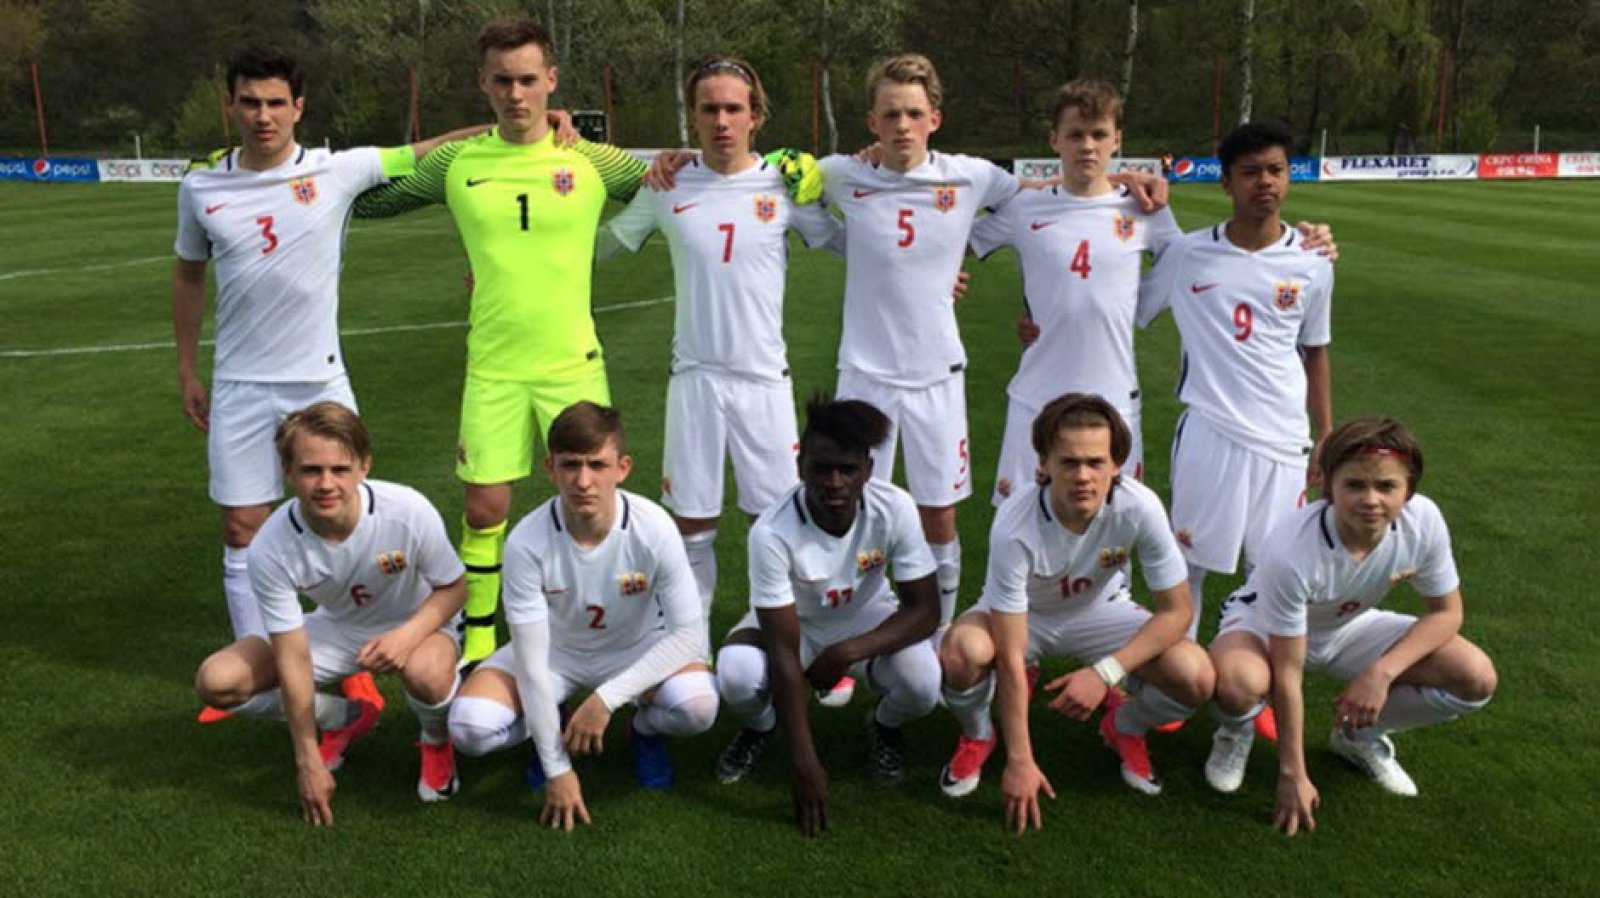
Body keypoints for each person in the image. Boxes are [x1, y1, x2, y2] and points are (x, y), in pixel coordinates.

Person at [172, 47, 475, 705]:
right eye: (250, 102)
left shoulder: (337, 170)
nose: (263, 116)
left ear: (299, 108)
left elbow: (429, 149)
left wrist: (524, 124)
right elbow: (189, 274)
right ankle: (268, 670)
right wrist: (187, 368)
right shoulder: (201, 189)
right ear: (232, 105)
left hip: (318, 380)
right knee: (241, 528)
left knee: (344, 507)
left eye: (276, 103)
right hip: (240, 383)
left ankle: (365, 634)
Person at [352, 18, 652, 666]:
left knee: (590, 503)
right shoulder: (458, 164)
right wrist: (456, 137)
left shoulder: (592, 160)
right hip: (495, 365)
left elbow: (671, 185)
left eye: (527, 80)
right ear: (483, 84)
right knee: (486, 507)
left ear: (552, 80)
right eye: (502, 81)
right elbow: (368, 202)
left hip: (573, 362)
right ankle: (481, 636)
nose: (516, 94)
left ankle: (598, 629)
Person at [598, 56, 843, 618]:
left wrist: (935, 271)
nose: (722, 120)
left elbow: (847, 243)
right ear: (693, 116)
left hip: (763, 379)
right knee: (691, 527)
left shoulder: (784, 185)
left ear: (755, 115)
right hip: (695, 379)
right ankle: (692, 642)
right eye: (709, 109)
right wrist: (514, 265)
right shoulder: (667, 184)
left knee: (774, 523)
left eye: (734, 108)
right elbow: (607, 245)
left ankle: (774, 636)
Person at [1201, 418, 1496, 835]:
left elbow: (1446, 613)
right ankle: (1235, 731)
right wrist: (1293, 774)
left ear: (1409, 489)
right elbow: (1288, 671)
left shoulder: (1424, 521)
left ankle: (1357, 736)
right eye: (1355, 485)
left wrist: (1381, 672)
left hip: (1348, 625)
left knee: (1475, 676)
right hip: (1263, 628)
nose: (1371, 500)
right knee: (1239, 683)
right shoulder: (1291, 550)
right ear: (1328, 485)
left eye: (1387, 486)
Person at [937, 395, 1212, 831]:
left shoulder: (1139, 507)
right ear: (1044, 463)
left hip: (1100, 612)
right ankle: (978, 731)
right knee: (961, 652)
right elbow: (1009, 653)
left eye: (1095, 462)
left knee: (1195, 675)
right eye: (1069, 462)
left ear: (1116, 464)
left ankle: (1125, 725)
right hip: (1025, 618)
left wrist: (1105, 674)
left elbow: (1178, 612)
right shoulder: (1015, 523)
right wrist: (1020, 761)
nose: (1083, 476)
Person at [193, 402, 467, 825]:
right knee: (218, 681)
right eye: (311, 470)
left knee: (427, 673)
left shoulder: (407, 510)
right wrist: (306, 759)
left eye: (340, 469)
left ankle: (435, 740)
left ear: (363, 467)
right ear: (287, 470)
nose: (326, 484)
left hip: (421, 620)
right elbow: (292, 656)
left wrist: (407, 636)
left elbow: (455, 587)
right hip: (340, 626)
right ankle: (344, 717)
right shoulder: (271, 547)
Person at [446, 402, 716, 832]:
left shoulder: (653, 527)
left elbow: (688, 635)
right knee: (469, 729)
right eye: (570, 465)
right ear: (550, 468)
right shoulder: (527, 541)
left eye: (597, 465)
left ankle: (644, 729)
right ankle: (549, 730)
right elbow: (532, 663)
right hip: (556, 656)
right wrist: (557, 768)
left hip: (633, 648)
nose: (584, 481)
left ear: (622, 468)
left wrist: (607, 699)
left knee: (698, 706)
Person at [1135, 119, 1335, 643]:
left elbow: (1315, 351)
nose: (1264, 182)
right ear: (1226, 182)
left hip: (1284, 439)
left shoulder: (1314, 262)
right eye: (1250, 172)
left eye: (1275, 170)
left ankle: (1255, 677)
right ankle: (1175, 671)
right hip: (1211, 431)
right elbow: (1123, 309)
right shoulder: (1187, 255)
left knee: (1274, 568)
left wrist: (1326, 432)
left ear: (1289, 176)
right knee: (1187, 564)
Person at [713, 396, 942, 837]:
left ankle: (883, 724)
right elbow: (783, 650)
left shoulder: (895, 507)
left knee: (923, 683)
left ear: (868, 470)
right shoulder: (771, 531)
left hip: (867, 618)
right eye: (821, 469)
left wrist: (846, 652)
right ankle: (762, 726)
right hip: (794, 624)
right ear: (801, 467)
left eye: (847, 469)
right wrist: (804, 762)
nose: (834, 482)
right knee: (737, 673)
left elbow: (926, 610)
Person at [970, 80, 1185, 501]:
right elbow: (948, 241)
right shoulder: (1025, 208)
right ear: (1055, 139)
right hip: (1035, 395)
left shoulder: (1145, 210)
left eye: (1099, 134)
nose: (1087, 145)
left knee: (1115, 523)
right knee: (1021, 521)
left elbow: (1185, 262)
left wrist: (1137, 307)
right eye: (1075, 134)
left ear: (1116, 140)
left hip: (1114, 397)